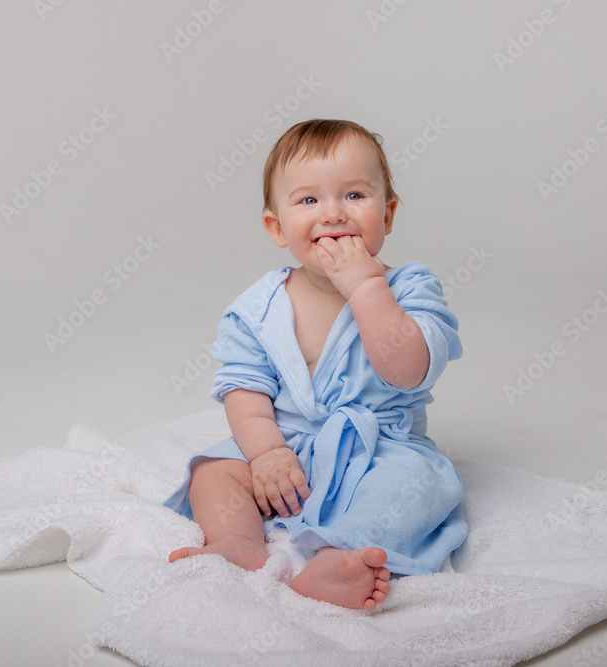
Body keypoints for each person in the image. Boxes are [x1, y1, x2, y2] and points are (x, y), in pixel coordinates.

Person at [164, 119, 466, 610]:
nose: (334, 215)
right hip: (287, 447)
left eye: (354, 196)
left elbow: (408, 370)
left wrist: (367, 288)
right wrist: (264, 454)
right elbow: (244, 389)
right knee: (214, 472)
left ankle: (337, 557)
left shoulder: (410, 288)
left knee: (418, 487)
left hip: (380, 449)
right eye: (309, 201)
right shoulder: (259, 308)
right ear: (277, 228)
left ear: (387, 215)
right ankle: (237, 542)